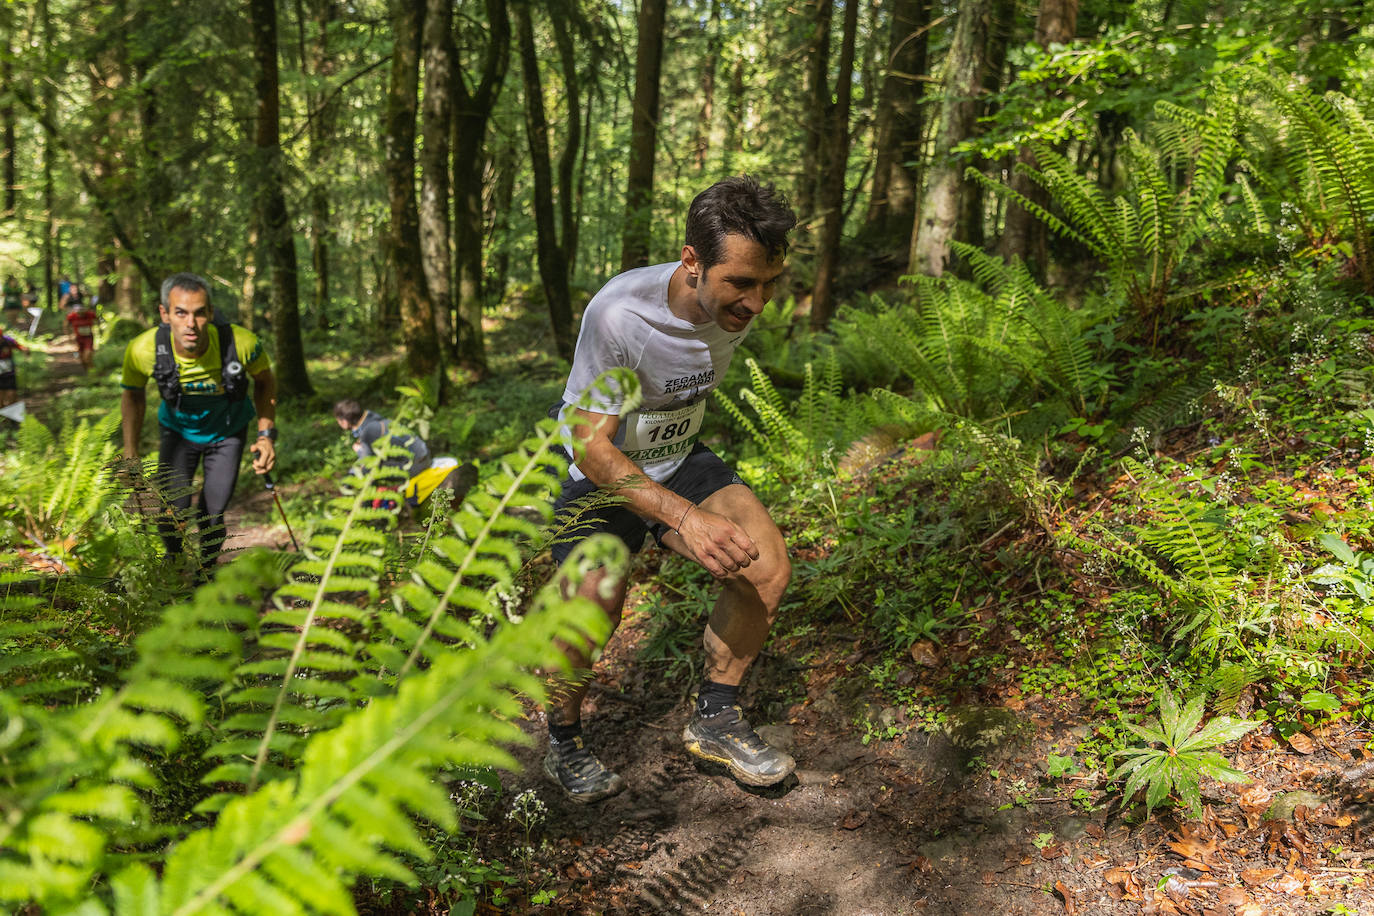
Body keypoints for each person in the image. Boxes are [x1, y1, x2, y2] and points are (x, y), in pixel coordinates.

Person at [543, 175, 797, 802]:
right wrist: (683, 520)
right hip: (600, 470)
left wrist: (685, 507)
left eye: (769, 284)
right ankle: (563, 740)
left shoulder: (736, 299)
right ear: (692, 262)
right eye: (740, 283)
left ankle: (715, 718)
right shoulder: (619, 317)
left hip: (677, 453)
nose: (756, 304)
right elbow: (590, 444)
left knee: (765, 567)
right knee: (590, 608)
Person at [120, 273, 277, 573]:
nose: (190, 324)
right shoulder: (143, 350)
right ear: (164, 314)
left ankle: (206, 572)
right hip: (177, 433)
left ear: (210, 313)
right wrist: (130, 449)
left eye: (199, 313)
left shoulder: (242, 343)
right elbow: (133, 396)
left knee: (212, 513)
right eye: (180, 313)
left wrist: (265, 434)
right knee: (171, 510)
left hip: (227, 434)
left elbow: (265, 381)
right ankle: (175, 563)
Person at [333, 399, 432, 479]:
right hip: (424, 455)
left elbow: (367, 462)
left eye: (338, 420)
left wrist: (359, 451)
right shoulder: (374, 419)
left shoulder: (369, 431)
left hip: (418, 465)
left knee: (370, 470)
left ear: (344, 422)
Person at [65, 293, 99, 371]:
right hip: (78, 338)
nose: (80, 314)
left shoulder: (90, 314)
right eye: (78, 312)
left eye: (81, 312)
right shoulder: (72, 316)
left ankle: (92, 372)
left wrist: (97, 327)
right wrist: (69, 335)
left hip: (88, 337)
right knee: (82, 357)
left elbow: (97, 320)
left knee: (88, 355)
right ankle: (87, 370)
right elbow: (66, 324)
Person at [0, 330, 25, 408]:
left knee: (12, 395)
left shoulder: (8, 340)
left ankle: (13, 417)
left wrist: (25, 350)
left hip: (9, 373)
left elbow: (19, 346)